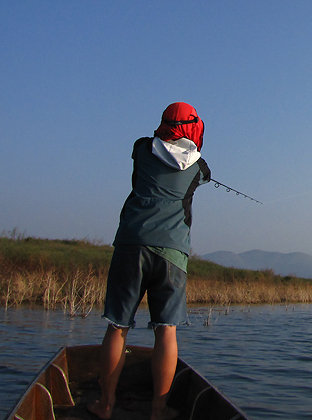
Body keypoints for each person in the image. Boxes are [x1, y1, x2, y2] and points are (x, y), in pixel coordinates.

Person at [88, 102, 211, 420]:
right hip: (172, 253)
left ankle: (105, 405)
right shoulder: (200, 168)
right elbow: (199, 171)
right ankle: (159, 410)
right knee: (166, 330)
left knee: (117, 327)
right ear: (194, 127)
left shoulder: (142, 149)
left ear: (164, 124)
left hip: (131, 245)